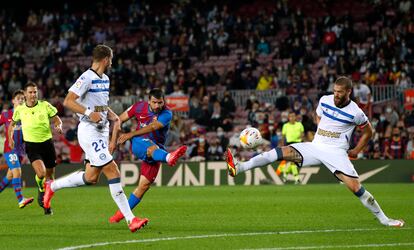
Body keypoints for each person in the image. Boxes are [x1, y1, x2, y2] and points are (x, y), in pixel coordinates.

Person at [225, 76, 404, 227]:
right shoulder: (325, 100)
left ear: (349, 92)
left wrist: (357, 150)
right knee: (277, 153)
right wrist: (322, 128)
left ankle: (384, 219)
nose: (336, 94)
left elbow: (368, 132)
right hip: (316, 146)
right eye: (334, 91)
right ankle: (239, 168)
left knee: (356, 188)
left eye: (340, 92)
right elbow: (318, 114)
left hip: (336, 153)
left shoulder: (355, 112)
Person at [43, 44, 146, 232]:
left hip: (102, 130)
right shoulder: (86, 77)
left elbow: (101, 106)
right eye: (111, 58)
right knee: (113, 171)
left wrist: (113, 115)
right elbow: (68, 101)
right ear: (106, 59)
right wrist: (89, 113)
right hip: (89, 131)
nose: (112, 62)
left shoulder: (105, 79)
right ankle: (131, 220)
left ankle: (53, 186)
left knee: (91, 177)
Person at [109, 88, 187, 223]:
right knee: (151, 148)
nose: (157, 106)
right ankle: (169, 157)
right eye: (154, 102)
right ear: (148, 101)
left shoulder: (167, 113)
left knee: (143, 186)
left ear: (164, 101)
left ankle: (120, 214)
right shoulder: (138, 107)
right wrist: (113, 141)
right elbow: (118, 120)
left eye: (160, 102)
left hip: (157, 151)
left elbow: (153, 127)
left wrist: (130, 134)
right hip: (139, 143)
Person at [9, 83, 62, 215]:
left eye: (35, 92)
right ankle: (41, 191)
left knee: (50, 177)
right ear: (25, 94)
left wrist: (59, 125)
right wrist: (11, 138)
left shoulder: (45, 105)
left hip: (47, 144)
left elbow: (57, 119)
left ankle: (46, 202)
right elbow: (12, 124)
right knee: (42, 174)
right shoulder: (20, 110)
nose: (33, 95)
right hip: (32, 146)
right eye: (30, 92)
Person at [0, 90, 34, 208]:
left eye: (23, 99)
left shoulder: (27, 115)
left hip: (21, 150)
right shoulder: (6, 115)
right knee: (17, 171)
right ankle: (21, 200)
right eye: (18, 98)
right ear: (13, 101)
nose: (21, 100)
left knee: (9, 176)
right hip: (9, 149)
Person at [276, 112, 304, 184]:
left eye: (293, 116)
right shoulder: (285, 125)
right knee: (293, 161)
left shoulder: (299, 124)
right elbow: (283, 136)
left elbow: (302, 134)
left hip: (298, 144)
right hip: (289, 144)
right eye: (290, 116)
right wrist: (282, 145)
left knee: (293, 162)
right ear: (288, 118)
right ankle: (296, 178)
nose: (292, 118)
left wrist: (300, 137)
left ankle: (285, 174)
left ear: (295, 117)